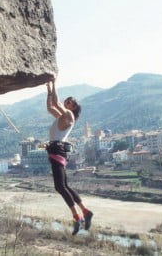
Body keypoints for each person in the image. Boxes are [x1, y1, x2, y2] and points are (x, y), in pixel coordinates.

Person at [45, 80, 93, 235]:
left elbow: (56, 102)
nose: (67, 102)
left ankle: (77, 217)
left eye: (70, 102)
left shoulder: (70, 116)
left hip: (57, 152)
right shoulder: (63, 116)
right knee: (65, 185)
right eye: (68, 100)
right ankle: (85, 211)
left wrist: (53, 84)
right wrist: (48, 90)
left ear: (74, 108)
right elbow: (50, 107)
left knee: (60, 186)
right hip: (56, 151)